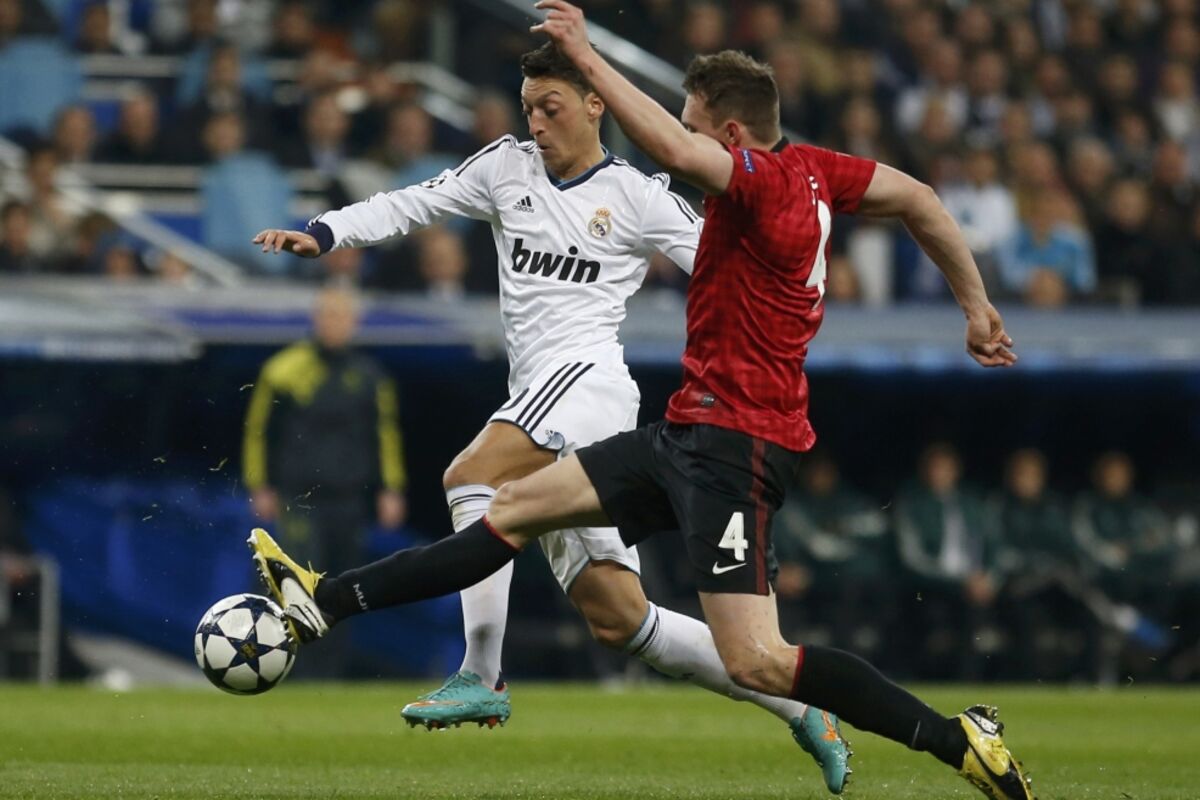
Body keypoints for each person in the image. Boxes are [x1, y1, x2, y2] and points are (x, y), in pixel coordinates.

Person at [249, 4, 1031, 798]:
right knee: (606, 604)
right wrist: (976, 306)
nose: (536, 123)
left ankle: (952, 737)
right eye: (529, 108)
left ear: (731, 137)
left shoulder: (746, 186)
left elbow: (674, 157)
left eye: (695, 125)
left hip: (709, 434)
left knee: (481, 482)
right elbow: (920, 197)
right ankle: (327, 601)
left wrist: (590, 56)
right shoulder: (819, 171)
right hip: (683, 430)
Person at [242, 285, 408, 676]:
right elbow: (259, 431)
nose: (335, 324)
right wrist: (259, 484)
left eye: (342, 316)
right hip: (299, 496)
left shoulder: (369, 376)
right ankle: (285, 667)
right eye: (329, 315)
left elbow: (385, 434)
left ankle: (329, 674)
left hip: (349, 498)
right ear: (316, 319)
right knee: (296, 583)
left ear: (354, 323)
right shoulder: (284, 369)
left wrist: (391, 488)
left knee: (344, 586)